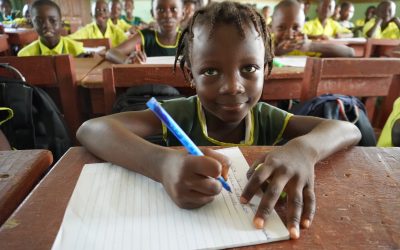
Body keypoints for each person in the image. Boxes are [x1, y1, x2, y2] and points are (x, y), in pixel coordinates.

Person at [77, 1, 361, 240]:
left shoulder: (268, 119)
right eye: (211, 72)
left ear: (266, 69)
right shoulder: (180, 115)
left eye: (249, 68)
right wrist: (161, 164)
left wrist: (304, 149)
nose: (232, 87)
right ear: (190, 74)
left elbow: (347, 129)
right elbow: (91, 129)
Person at [105, 0, 183, 64]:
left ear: (182, 13)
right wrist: (128, 61)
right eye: (160, 10)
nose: (167, 15)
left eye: (174, 9)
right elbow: (110, 53)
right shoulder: (146, 36)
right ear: (152, 13)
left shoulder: (188, 39)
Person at [271, 0, 354, 57]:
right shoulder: (265, 42)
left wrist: (310, 46)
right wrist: (275, 52)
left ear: (303, 26)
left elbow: (350, 53)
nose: (289, 35)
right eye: (281, 28)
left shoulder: (301, 46)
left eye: (295, 28)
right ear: (271, 27)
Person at [17, 0, 84, 57]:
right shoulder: (25, 55)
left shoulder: (77, 50)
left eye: (52, 20)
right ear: (33, 24)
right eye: (39, 21)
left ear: (61, 23)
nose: (46, 26)